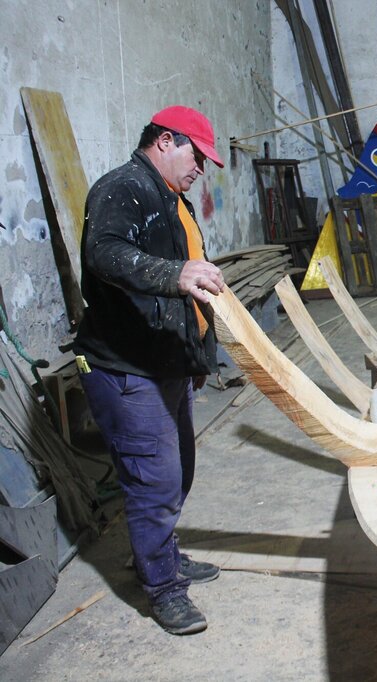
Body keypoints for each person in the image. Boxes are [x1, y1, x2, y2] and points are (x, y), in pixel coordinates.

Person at [74, 106, 226, 635]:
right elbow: (104, 254)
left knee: (179, 468)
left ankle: (161, 554)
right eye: (197, 156)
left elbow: (186, 284)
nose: (201, 169)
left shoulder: (171, 199)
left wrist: (197, 357)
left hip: (165, 364)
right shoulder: (123, 190)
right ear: (166, 140)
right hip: (125, 368)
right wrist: (173, 273)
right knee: (154, 481)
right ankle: (161, 586)